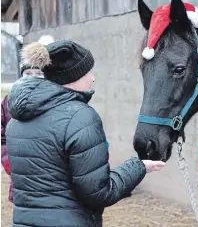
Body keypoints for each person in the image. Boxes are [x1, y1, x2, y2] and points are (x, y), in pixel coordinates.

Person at [6, 39, 165, 227]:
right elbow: (99, 193)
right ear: (73, 76)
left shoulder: (16, 119)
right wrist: (138, 167)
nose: (93, 78)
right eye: (87, 72)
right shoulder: (80, 117)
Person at [1, 35, 54, 203]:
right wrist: (10, 163)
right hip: (20, 179)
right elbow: (2, 137)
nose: (33, 77)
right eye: (28, 72)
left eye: (39, 73)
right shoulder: (9, 102)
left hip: (52, 180)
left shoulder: (57, 101)